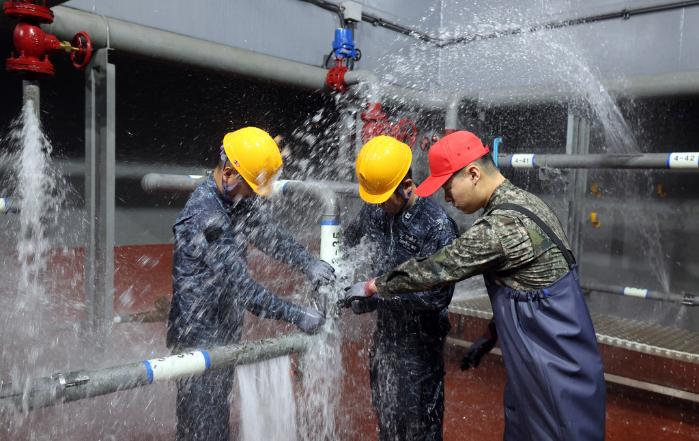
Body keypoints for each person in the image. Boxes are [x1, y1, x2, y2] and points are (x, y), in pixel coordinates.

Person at [343, 131, 606, 441]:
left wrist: (374, 287)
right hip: (539, 356)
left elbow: (439, 266)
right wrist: (493, 333)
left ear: (473, 174)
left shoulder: (501, 226)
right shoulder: (524, 204)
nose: (447, 198)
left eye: (448, 187)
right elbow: (530, 286)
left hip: (556, 368)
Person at [166, 127, 335, 441]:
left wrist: (306, 262)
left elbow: (269, 236)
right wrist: (298, 315)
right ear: (229, 174)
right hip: (197, 335)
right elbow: (244, 291)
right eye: (251, 187)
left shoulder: (234, 199)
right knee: (202, 426)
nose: (255, 195)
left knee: (217, 415)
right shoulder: (205, 218)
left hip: (222, 325)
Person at [342, 135, 459, 441]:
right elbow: (347, 241)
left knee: (420, 427)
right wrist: (342, 277)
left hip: (421, 346)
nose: (379, 206)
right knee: (387, 421)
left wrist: (375, 296)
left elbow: (437, 296)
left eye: (384, 198)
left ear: (407, 186)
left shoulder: (436, 226)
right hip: (385, 339)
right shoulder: (375, 210)